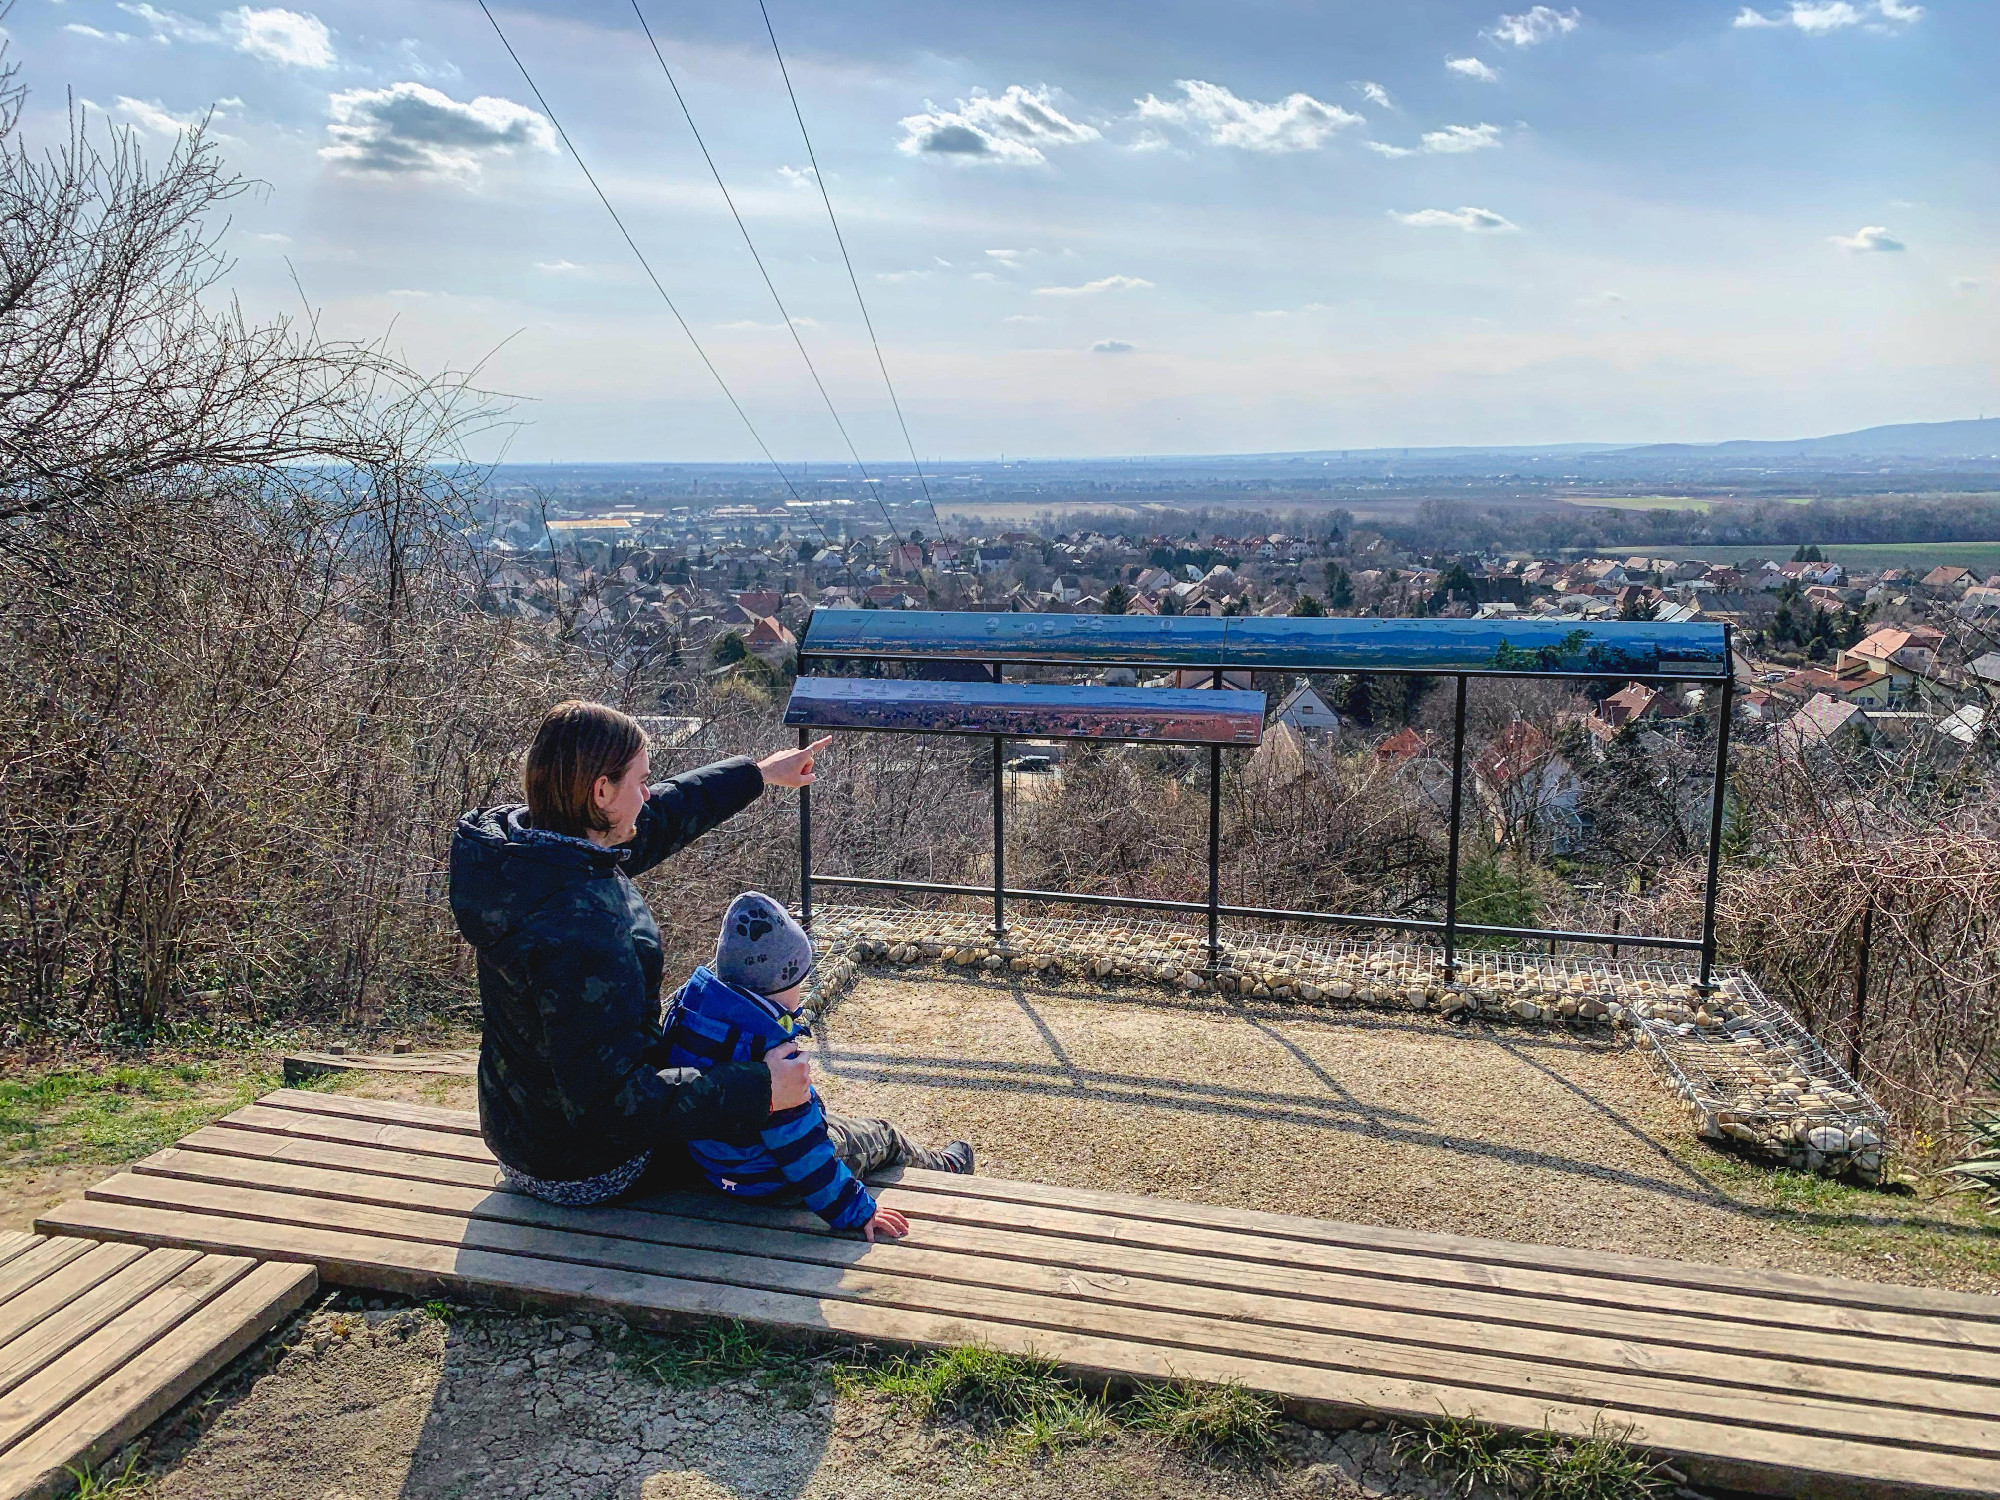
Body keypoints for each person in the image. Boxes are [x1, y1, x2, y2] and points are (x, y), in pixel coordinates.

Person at [448, 700, 831, 1206]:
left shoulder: (527, 857)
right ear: (601, 791)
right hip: (588, 1167)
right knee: (802, 1138)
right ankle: (923, 1160)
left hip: (523, 1135)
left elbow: (656, 819)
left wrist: (757, 775)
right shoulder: (580, 932)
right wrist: (759, 1088)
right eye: (639, 781)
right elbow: (610, 1107)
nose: (647, 794)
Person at [663, 891, 973, 1241]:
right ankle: (946, 1167)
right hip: (766, 1175)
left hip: (716, 1164)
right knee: (882, 1136)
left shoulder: (690, 1016)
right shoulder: (771, 1052)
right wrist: (855, 1210)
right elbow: (800, 1146)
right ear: (786, 982)